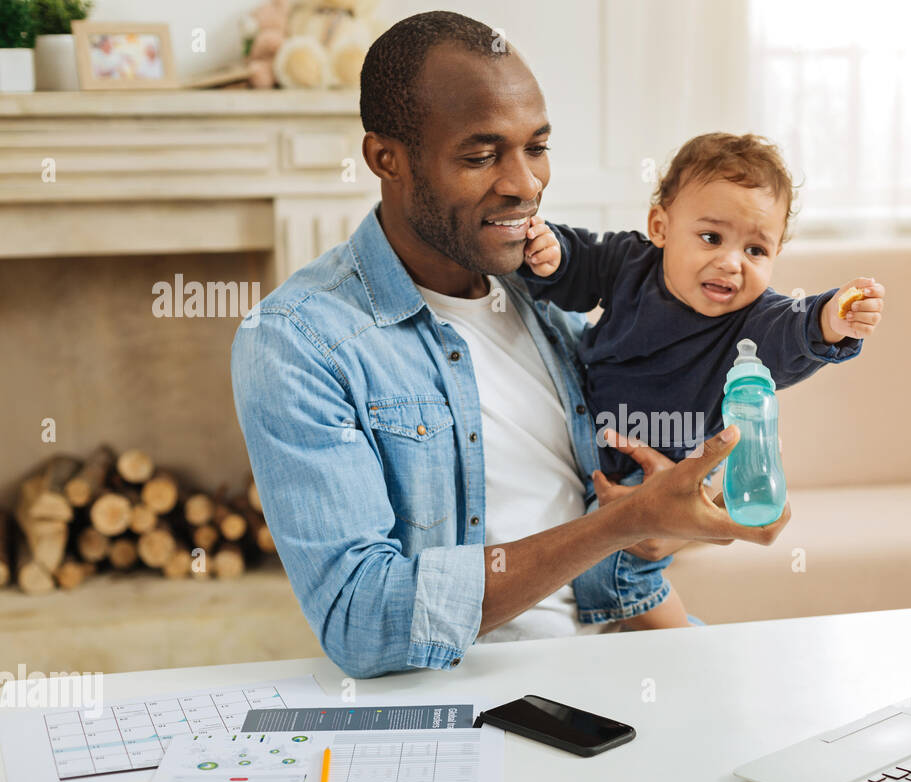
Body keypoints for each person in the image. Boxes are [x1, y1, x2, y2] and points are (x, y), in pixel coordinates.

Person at [229, 10, 790, 679]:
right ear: (387, 159)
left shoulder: (549, 295)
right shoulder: (302, 341)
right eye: (480, 155)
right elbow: (363, 621)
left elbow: (618, 503)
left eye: (537, 147)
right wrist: (623, 523)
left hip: (640, 654)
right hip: (494, 701)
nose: (524, 183)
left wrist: (666, 522)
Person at [516, 132, 885, 627]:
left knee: (623, 573)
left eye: (756, 249)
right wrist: (552, 253)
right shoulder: (629, 263)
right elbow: (580, 258)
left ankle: (689, 652)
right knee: (599, 571)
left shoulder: (750, 322)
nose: (731, 262)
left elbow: (795, 325)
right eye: (711, 237)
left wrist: (831, 321)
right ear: (661, 227)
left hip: (660, 476)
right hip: (588, 445)